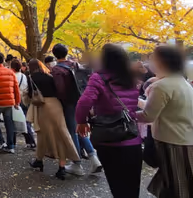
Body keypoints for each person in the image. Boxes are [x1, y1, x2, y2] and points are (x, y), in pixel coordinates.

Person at [75, 44, 142, 197]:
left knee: (117, 186)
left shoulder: (99, 77)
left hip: (108, 138)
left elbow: (84, 102)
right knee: (132, 188)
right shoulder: (131, 78)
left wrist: (82, 121)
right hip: (132, 138)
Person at [136, 46, 193, 198]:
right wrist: (137, 101)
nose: (150, 62)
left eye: (153, 58)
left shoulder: (161, 86)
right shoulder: (181, 81)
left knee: (176, 188)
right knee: (186, 186)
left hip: (173, 142)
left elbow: (148, 116)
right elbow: (161, 108)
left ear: (162, 62)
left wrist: (128, 114)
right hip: (189, 140)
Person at [51, 43, 101, 175]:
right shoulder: (76, 65)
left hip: (68, 103)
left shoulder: (57, 70)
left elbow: (60, 90)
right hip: (82, 100)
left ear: (54, 54)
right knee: (80, 129)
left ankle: (76, 163)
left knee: (72, 131)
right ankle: (93, 157)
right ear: (67, 52)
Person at [26, 59, 80, 180]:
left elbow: (30, 94)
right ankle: (62, 167)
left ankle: (39, 160)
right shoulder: (49, 76)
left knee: (42, 134)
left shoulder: (31, 78)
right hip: (56, 105)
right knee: (61, 133)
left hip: (42, 107)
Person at [11, 59, 36, 149]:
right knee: (25, 121)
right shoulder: (24, 76)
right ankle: (31, 141)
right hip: (25, 100)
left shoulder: (12, 76)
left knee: (13, 122)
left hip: (15, 101)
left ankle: (12, 143)